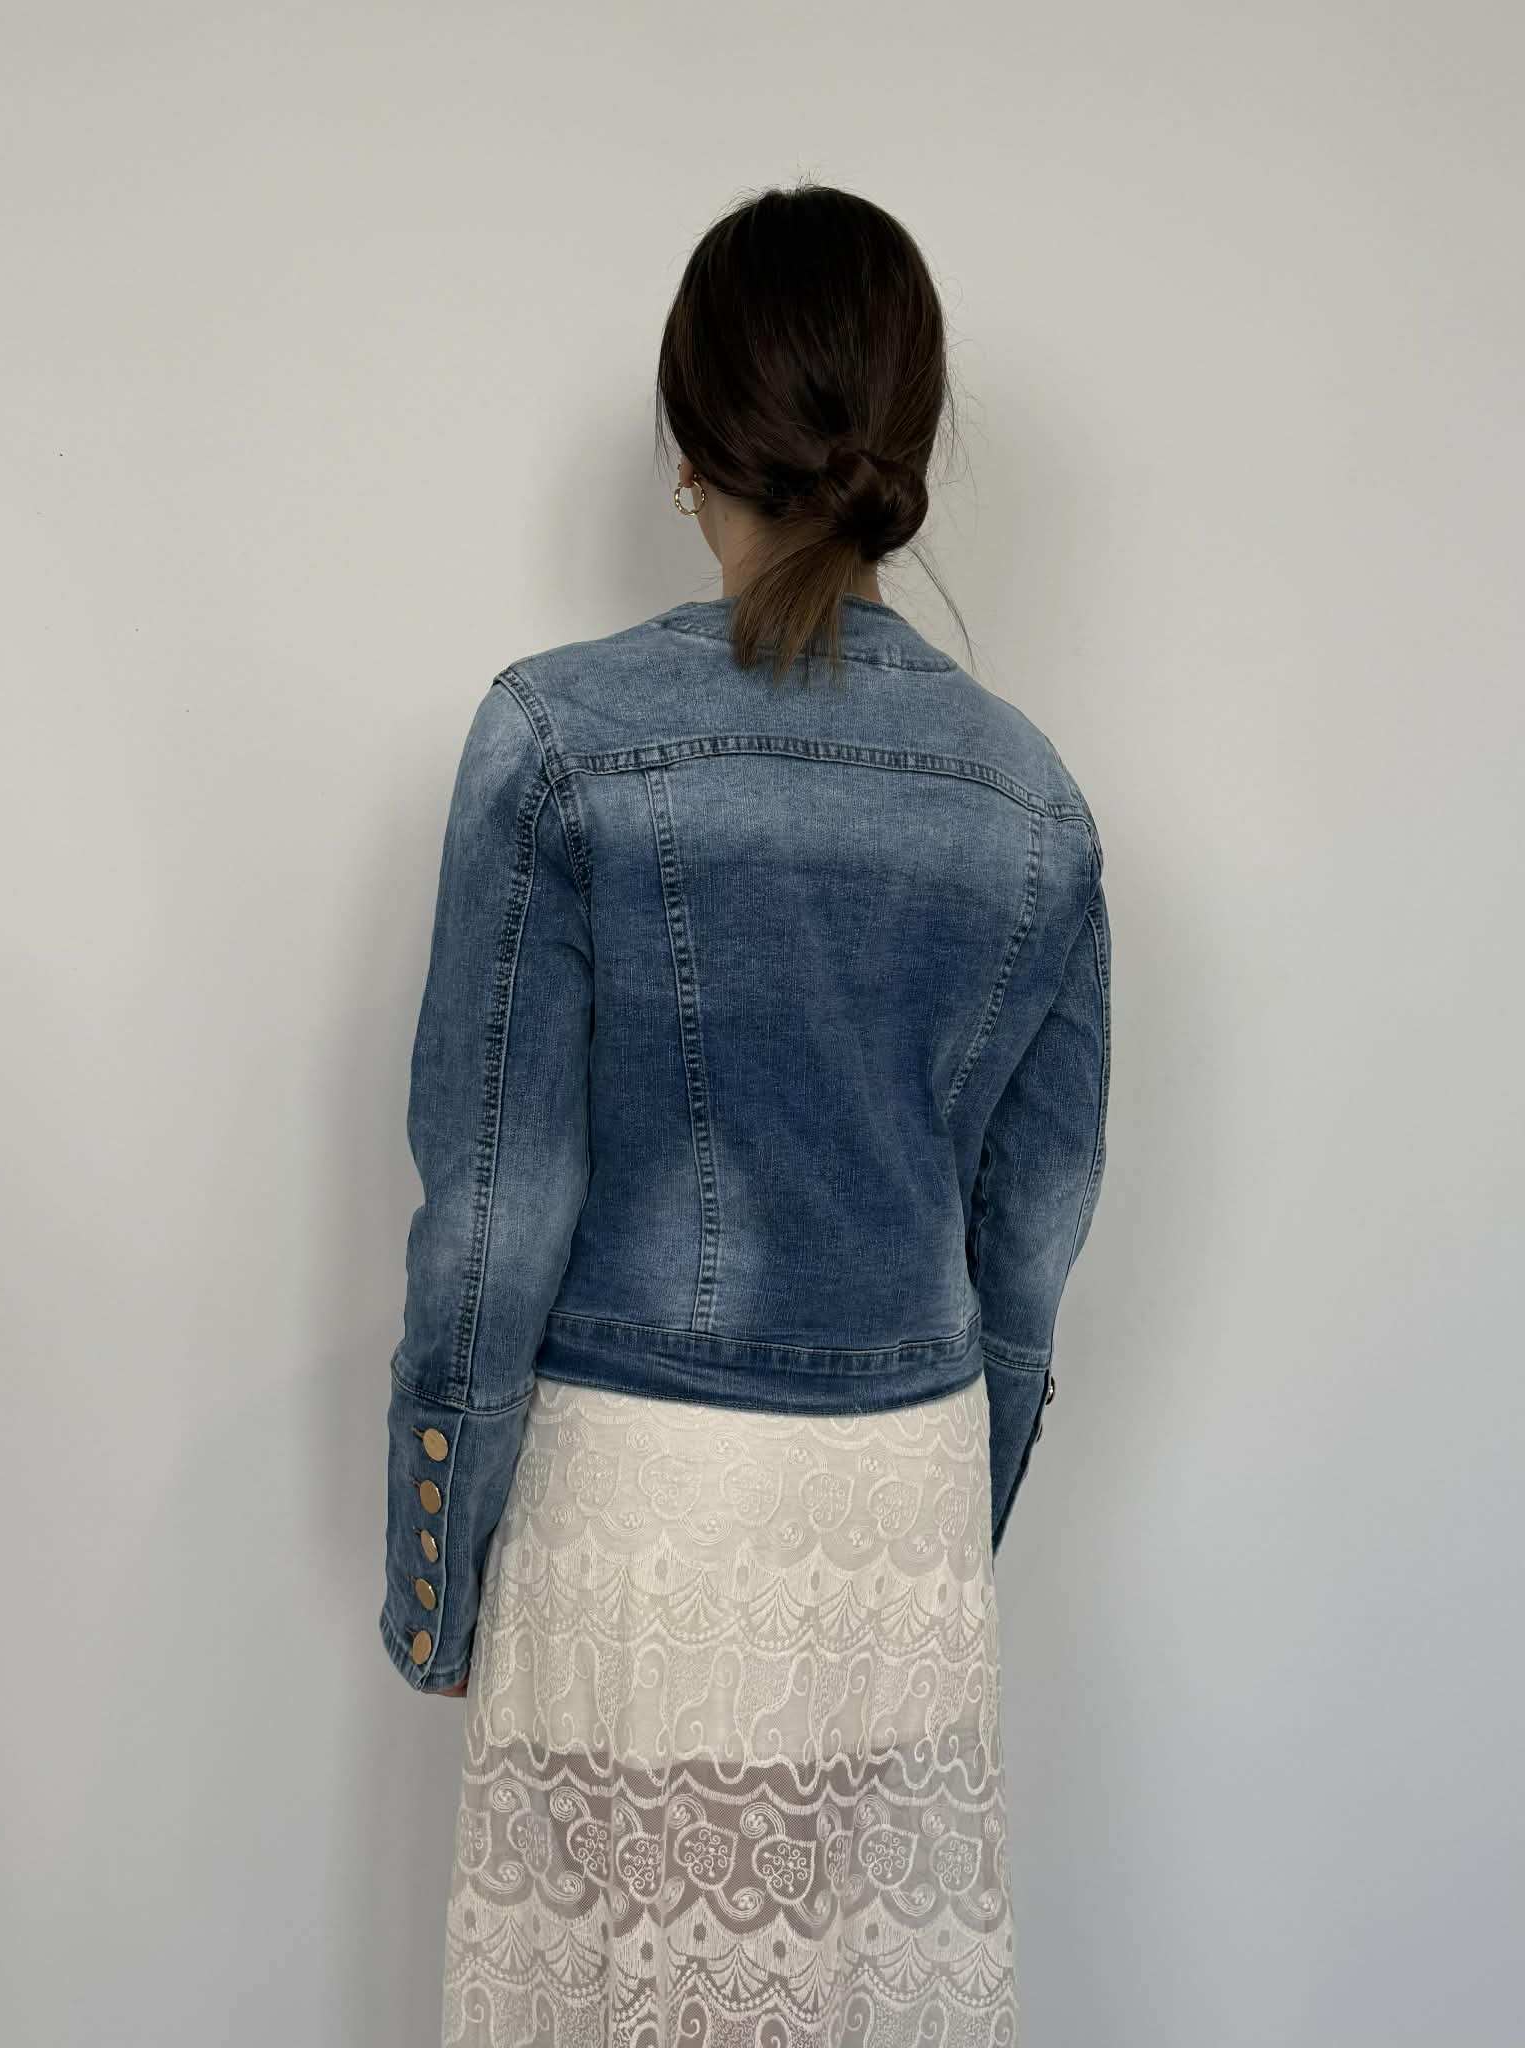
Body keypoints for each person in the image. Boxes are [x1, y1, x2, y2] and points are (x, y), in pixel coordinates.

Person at [379, 179, 1112, 2048]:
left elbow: (490, 1218)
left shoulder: (561, 741)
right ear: (905, 440)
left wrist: (436, 1576)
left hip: (650, 1511)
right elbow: (1027, 1251)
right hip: (897, 1503)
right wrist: (946, 1531)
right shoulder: (1033, 800)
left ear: (692, 441)